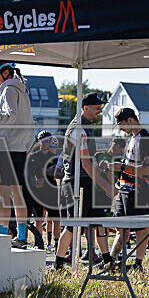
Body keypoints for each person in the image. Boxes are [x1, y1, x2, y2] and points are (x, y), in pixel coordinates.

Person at [0, 62, 34, 250]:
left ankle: (2, 236)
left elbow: (9, 115)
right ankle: (21, 237)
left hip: (4, 148)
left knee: (4, 196)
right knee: (17, 194)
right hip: (19, 148)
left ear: (5, 73)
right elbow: (30, 125)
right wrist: (26, 146)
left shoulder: (9, 90)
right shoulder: (24, 92)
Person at [108, 108, 149, 273]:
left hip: (139, 190)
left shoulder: (145, 139)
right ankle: (111, 261)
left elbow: (145, 169)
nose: (120, 128)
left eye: (121, 124)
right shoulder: (133, 138)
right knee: (121, 227)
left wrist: (121, 166)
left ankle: (138, 264)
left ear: (130, 120)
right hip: (125, 188)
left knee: (141, 229)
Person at [63, 93, 107, 261]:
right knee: (73, 226)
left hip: (85, 180)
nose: (100, 111)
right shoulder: (78, 128)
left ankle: (106, 257)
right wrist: (105, 186)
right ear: (85, 108)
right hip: (77, 181)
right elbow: (85, 163)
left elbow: (89, 157)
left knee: (97, 221)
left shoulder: (85, 126)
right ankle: (60, 260)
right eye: (97, 108)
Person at [25, 131, 60, 245]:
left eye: (48, 140)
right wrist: (47, 172)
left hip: (51, 191)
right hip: (37, 192)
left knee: (55, 219)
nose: (45, 143)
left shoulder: (54, 157)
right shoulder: (34, 156)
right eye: (43, 140)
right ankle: (38, 242)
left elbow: (55, 173)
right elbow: (31, 174)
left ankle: (56, 243)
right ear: (39, 141)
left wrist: (43, 171)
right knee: (38, 220)